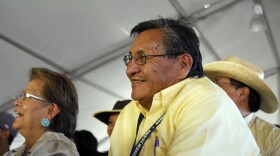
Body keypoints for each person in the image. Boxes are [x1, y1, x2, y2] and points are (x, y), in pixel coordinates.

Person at [109, 17, 259, 156]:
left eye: (142, 57)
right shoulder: (129, 113)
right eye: (130, 58)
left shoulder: (207, 103)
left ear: (183, 64)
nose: (129, 70)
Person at [204, 56, 280, 156]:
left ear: (242, 94)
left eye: (218, 83)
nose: (212, 89)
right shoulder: (203, 124)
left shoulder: (274, 138)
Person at [4, 67, 79, 155]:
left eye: (27, 96)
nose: (16, 102)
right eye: (22, 95)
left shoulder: (58, 150)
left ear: (50, 111)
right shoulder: (13, 153)